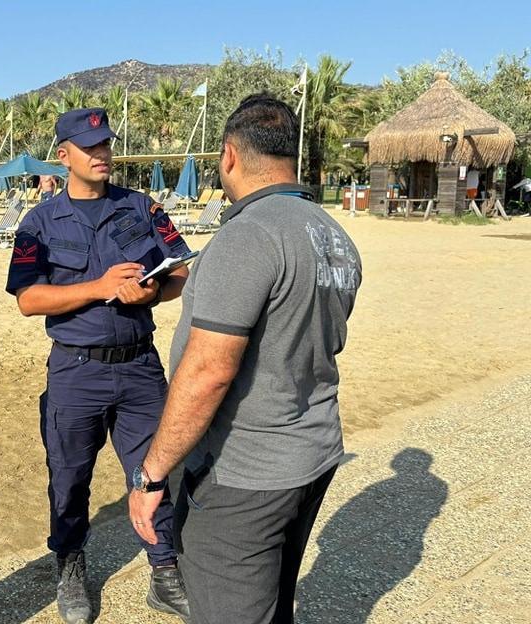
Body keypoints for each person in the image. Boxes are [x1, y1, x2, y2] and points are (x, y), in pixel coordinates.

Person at [128, 93, 363, 624]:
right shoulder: (335, 236)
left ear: (229, 156)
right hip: (312, 452)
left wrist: (152, 475)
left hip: (245, 474)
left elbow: (209, 372)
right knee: (273, 601)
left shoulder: (249, 235)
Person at [6, 108, 192, 623]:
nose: (103, 154)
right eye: (90, 147)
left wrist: (151, 292)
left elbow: (180, 275)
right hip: (76, 371)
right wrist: (100, 287)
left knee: (154, 471)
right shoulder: (39, 222)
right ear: (63, 156)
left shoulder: (141, 207)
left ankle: (164, 569)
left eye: (106, 144)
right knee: (69, 478)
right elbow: (28, 299)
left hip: (138, 368)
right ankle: (70, 566)